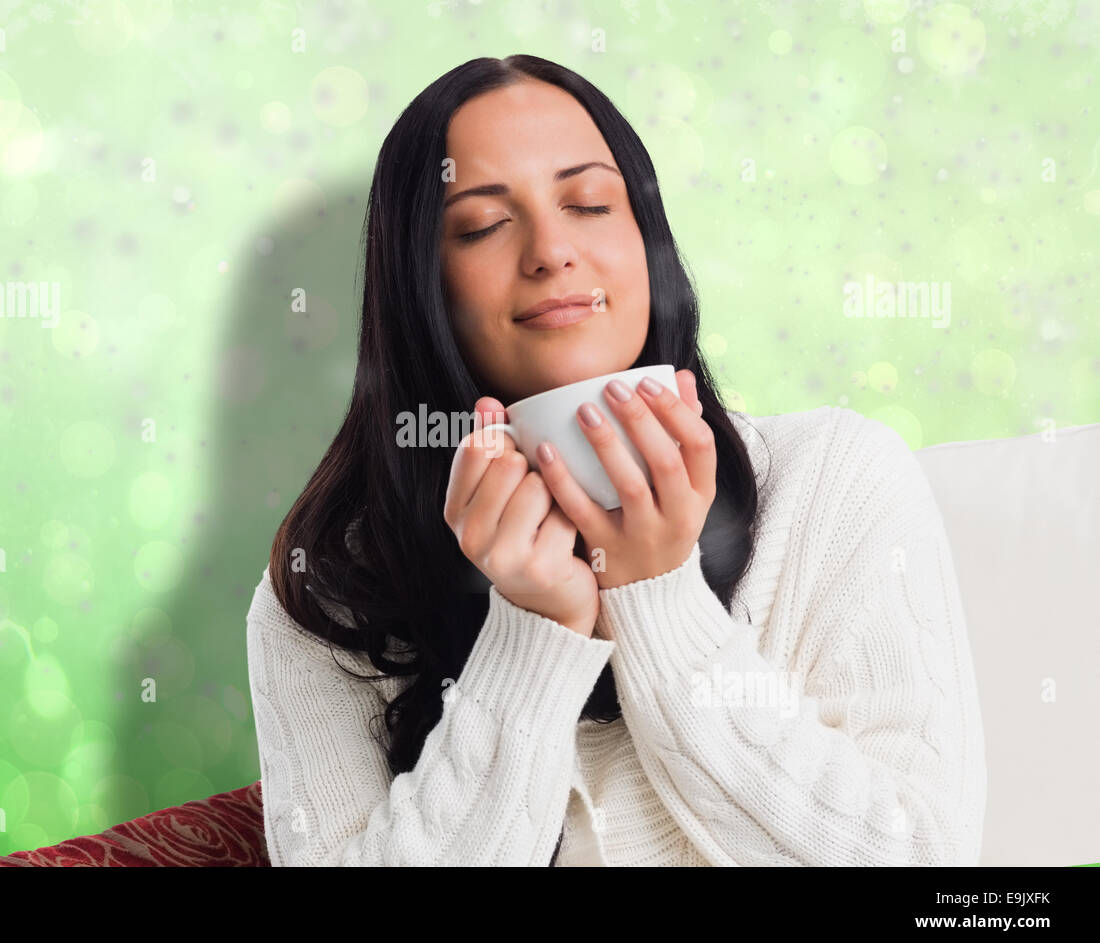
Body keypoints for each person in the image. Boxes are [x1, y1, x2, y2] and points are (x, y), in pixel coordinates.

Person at [245, 54, 987, 866]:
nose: (552, 250)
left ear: (646, 238)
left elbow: (928, 864)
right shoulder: (324, 594)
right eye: (484, 224)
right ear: (421, 286)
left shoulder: (835, 478)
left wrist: (656, 598)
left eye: (590, 202)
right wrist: (531, 633)